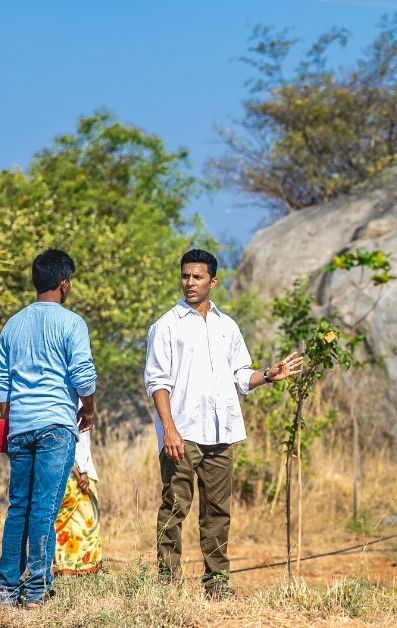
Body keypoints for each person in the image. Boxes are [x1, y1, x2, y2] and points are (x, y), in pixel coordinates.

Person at [144, 248, 303, 598]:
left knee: (218, 513)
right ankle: (166, 588)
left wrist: (269, 375)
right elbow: (157, 382)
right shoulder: (166, 326)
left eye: (197, 276)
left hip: (222, 433)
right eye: (185, 275)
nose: (189, 282)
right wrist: (169, 429)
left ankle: (217, 585)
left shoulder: (226, 326)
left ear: (212, 281)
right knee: (174, 507)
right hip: (182, 435)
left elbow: (240, 376)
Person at [0, 249, 97, 607]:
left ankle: (7, 590)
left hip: (20, 427)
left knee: (18, 506)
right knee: (44, 509)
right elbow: (83, 378)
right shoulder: (71, 324)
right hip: (56, 425)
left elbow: (3, 388)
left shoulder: (12, 324)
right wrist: (89, 410)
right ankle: (36, 590)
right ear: (64, 284)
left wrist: (8, 426)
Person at [53, 428, 102, 576]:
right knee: (87, 522)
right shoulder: (78, 404)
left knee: (61, 523)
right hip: (77, 473)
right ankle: (84, 568)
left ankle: (62, 567)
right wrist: (83, 470)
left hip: (59, 468)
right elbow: (80, 436)